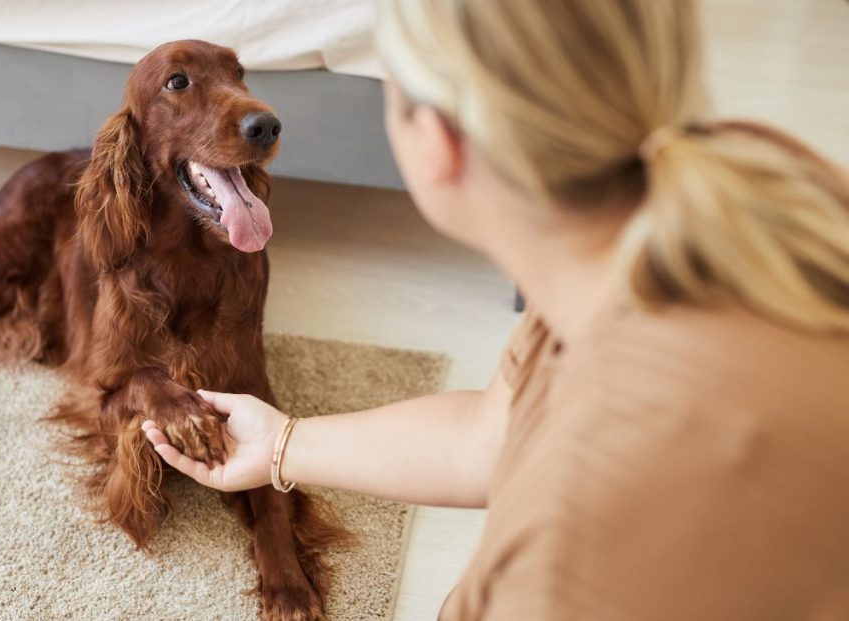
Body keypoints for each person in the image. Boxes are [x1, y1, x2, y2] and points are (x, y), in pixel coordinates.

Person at [143, 0, 849, 617]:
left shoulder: (578, 556)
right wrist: (284, 444)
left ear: (439, 142)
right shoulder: (738, 195)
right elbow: (491, 435)